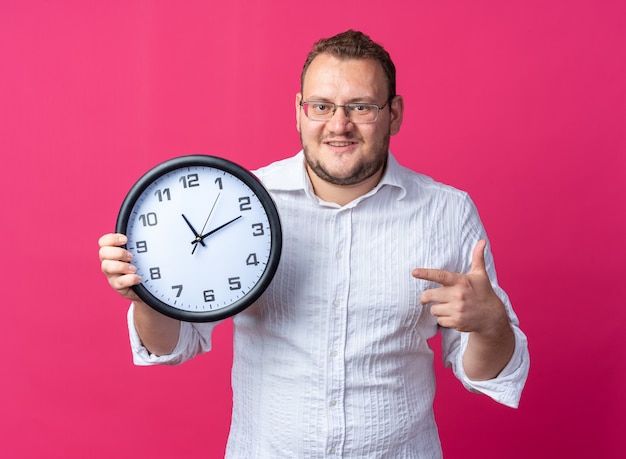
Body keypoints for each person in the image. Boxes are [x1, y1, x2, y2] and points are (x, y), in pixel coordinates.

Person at [99, 30, 529, 458]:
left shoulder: (447, 212)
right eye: (321, 106)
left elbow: (486, 373)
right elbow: (172, 345)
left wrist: (491, 326)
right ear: (299, 111)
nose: (338, 124)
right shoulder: (240, 202)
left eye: (360, 107)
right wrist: (145, 294)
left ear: (394, 114)